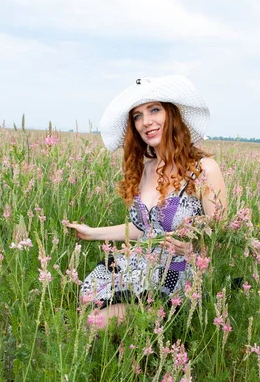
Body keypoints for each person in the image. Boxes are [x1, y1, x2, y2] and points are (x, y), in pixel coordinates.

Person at [67, 75, 227, 328]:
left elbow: (223, 235)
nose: (146, 122)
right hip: (139, 264)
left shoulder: (203, 169)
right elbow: (144, 230)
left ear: (171, 115)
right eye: (137, 116)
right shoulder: (145, 169)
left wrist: (196, 245)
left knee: (97, 322)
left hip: (178, 273)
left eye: (154, 110)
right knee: (86, 302)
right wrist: (91, 233)